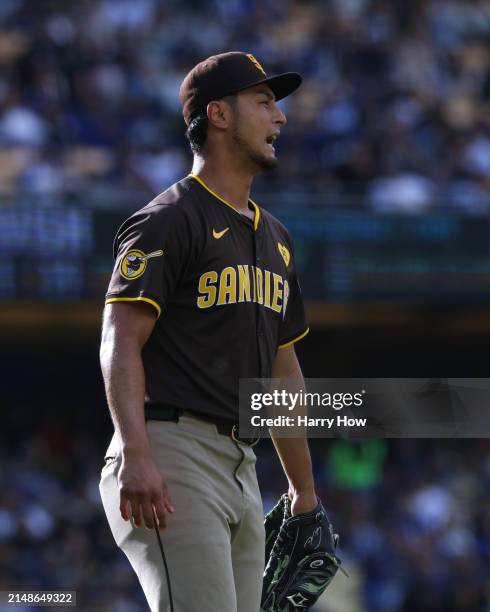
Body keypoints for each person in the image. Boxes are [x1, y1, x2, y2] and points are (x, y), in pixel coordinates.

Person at [99, 51, 317, 612]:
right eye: (264, 102)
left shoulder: (278, 238)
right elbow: (120, 341)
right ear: (218, 115)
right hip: (171, 450)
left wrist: (304, 493)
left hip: (242, 464)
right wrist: (136, 452)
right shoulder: (168, 219)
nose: (280, 117)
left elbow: (283, 375)